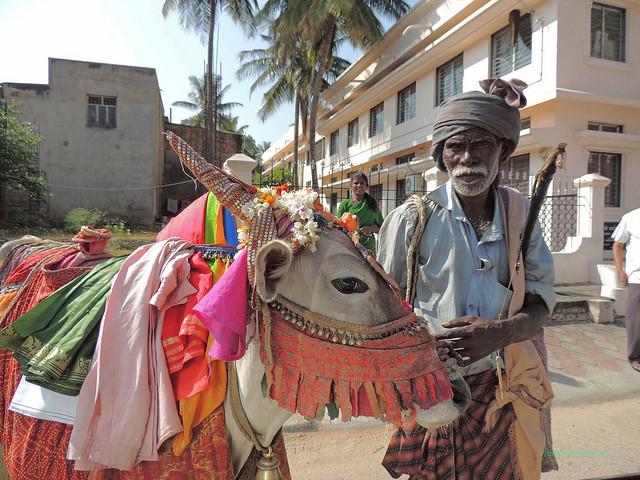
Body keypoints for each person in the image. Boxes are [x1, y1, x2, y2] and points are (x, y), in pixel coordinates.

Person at [377, 78, 556, 479]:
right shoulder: (412, 220)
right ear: (442, 156)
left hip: (503, 390)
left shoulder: (521, 216)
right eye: (456, 146)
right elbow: (384, 312)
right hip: (431, 392)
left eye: (481, 144)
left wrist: (502, 333)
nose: (468, 157)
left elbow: (542, 301)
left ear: (502, 151)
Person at [611, 205, 640, 372]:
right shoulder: (631, 217)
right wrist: (621, 270)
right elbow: (618, 245)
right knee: (635, 319)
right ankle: (635, 357)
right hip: (637, 277)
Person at [337, 172, 384, 255]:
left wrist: (373, 229)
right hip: (348, 246)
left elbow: (383, 227)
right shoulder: (345, 205)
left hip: (368, 246)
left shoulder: (372, 205)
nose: (359, 185)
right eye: (356, 183)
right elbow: (337, 227)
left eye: (362, 183)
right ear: (351, 186)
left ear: (366, 187)